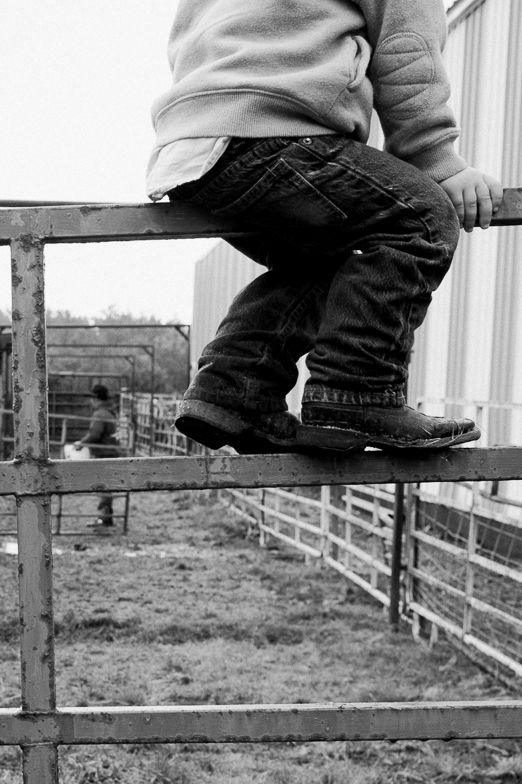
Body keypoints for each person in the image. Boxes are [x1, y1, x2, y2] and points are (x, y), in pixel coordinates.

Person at [150, 0, 503, 454]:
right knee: (421, 219)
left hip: (189, 150)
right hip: (272, 127)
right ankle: (356, 394)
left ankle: (234, 390)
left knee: (330, 258)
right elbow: (406, 51)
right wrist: (436, 158)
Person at [73, 384, 124, 528]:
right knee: (106, 486)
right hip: (111, 451)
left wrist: (81, 443)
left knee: (104, 486)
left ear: (96, 398)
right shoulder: (110, 412)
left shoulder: (100, 414)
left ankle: (104, 517)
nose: (90, 402)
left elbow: (95, 434)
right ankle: (106, 517)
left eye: (92, 398)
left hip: (104, 453)